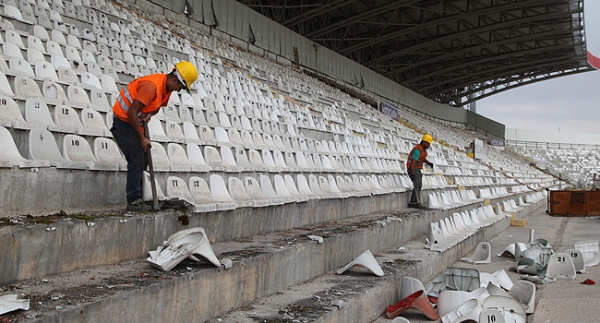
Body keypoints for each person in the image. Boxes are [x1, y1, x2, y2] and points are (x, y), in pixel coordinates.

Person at [111, 61, 198, 211]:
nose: (179, 90)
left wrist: (150, 113)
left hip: (134, 121)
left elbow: (157, 106)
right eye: (180, 87)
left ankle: (139, 197)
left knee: (143, 159)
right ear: (175, 80)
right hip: (123, 122)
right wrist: (142, 138)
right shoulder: (151, 87)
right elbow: (132, 112)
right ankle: (133, 200)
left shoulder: (166, 89)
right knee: (136, 158)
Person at [407, 134, 434, 208]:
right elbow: (413, 162)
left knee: (419, 185)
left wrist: (428, 163)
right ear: (424, 142)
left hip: (417, 169)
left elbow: (422, 158)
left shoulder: (422, 150)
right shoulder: (417, 150)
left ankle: (413, 201)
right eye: (428, 143)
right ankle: (416, 203)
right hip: (413, 169)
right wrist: (412, 174)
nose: (429, 145)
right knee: (417, 185)